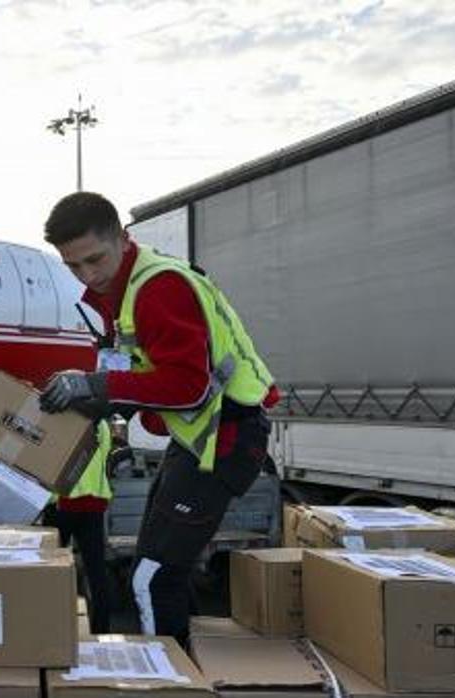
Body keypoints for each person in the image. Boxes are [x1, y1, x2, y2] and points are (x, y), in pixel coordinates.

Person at [36, 192, 278, 648]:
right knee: (158, 569)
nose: (88, 275)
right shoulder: (126, 288)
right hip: (199, 442)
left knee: (151, 577)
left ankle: (164, 690)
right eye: (73, 267)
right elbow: (138, 373)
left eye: (95, 260)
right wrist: (95, 395)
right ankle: (183, 673)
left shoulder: (157, 288)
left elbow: (188, 386)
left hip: (224, 441)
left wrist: (96, 387)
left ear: (123, 240)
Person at [42, 418, 114, 634]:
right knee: (96, 570)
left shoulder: (65, 421)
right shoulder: (101, 423)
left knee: (51, 573)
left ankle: (51, 627)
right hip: (94, 503)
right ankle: (102, 631)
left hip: (62, 502)